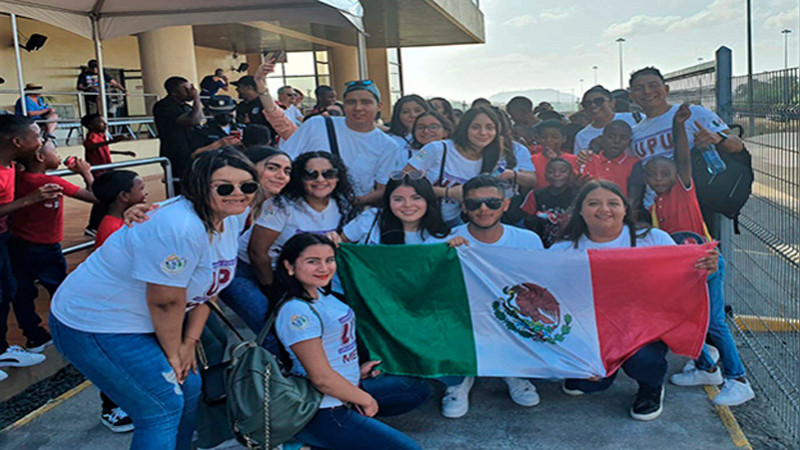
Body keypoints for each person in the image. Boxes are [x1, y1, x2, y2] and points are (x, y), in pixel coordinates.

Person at [50, 148, 260, 449]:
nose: (238, 194)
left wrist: (189, 345)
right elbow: (165, 301)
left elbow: (209, 291)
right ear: (200, 186)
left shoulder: (231, 219)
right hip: (97, 321)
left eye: (247, 186)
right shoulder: (180, 225)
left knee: (189, 389)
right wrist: (174, 353)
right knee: (160, 408)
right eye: (224, 187)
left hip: (140, 319)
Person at [550, 180, 719, 420]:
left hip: (642, 326)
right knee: (589, 384)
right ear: (580, 210)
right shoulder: (564, 248)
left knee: (643, 361)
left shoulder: (652, 238)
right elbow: (548, 292)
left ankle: (651, 387)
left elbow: (681, 276)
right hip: (590, 328)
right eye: (593, 203)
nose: (604, 209)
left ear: (625, 209)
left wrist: (704, 267)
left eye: (613, 203)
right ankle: (596, 372)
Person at [273, 233, 429, 449]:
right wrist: (365, 400)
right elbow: (321, 379)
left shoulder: (321, 294)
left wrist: (356, 369)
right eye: (312, 261)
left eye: (329, 260)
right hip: (323, 408)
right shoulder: (297, 312)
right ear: (289, 266)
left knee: (414, 388)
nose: (324, 268)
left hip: (349, 386)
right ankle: (305, 439)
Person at [646, 104, 754, 406]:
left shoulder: (683, 189)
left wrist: (679, 126)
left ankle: (738, 379)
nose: (658, 177)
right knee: (680, 319)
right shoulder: (655, 206)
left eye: (663, 172)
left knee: (715, 322)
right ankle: (706, 366)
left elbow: (681, 158)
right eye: (652, 174)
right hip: (682, 271)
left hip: (706, 263)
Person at [444, 175, 543, 418]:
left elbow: (540, 285)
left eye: (492, 203)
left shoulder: (528, 240)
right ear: (464, 207)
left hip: (510, 312)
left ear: (506, 204)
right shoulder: (446, 240)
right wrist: (445, 254)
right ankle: (460, 378)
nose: (484, 209)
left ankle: (513, 369)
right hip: (464, 315)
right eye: (475, 204)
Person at [9, 138, 97, 355]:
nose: (59, 154)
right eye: (54, 150)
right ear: (40, 157)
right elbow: (96, 198)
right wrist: (85, 173)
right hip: (46, 249)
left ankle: (34, 336)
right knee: (62, 290)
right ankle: (76, 333)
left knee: (23, 292)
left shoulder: (17, 178)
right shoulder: (53, 182)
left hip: (18, 245)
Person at [627, 66, 744, 218]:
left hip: (695, 205)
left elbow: (737, 145)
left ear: (666, 89)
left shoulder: (693, 113)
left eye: (653, 85)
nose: (647, 91)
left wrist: (718, 138)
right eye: (639, 88)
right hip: (654, 209)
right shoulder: (634, 132)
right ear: (632, 96)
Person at [405, 106, 536, 227]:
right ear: (464, 128)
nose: (483, 133)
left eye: (489, 128)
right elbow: (403, 180)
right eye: (476, 127)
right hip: (425, 221)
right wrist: (447, 193)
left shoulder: (494, 156)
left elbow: (531, 179)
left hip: (463, 223)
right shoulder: (437, 149)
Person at [246, 151, 355, 296]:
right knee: (264, 316)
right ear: (299, 178)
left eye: (329, 173)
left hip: (304, 275)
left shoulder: (342, 205)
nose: (320, 180)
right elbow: (257, 252)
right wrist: (271, 290)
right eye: (311, 174)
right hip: (256, 271)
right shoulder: (281, 206)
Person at [90, 169, 148, 433]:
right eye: (141, 187)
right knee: (116, 363)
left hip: (121, 305)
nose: (145, 191)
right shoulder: (112, 231)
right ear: (125, 196)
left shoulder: (118, 222)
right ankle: (111, 409)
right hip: (113, 309)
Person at [280, 80, 400, 206]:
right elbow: (285, 162)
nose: (358, 108)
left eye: (366, 102)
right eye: (351, 102)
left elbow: (383, 188)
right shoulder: (317, 125)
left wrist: (351, 203)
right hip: (302, 207)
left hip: (348, 215)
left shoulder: (388, 145)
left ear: (379, 106)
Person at [0, 116, 57, 377]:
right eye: (37, 137)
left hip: (6, 237)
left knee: (8, 290)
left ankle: (2, 349)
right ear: (17, 141)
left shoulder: (11, 165)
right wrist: (30, 200)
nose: (41, 142)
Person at [217, 146, 292, 345]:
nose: (281, 176)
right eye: (273, 168)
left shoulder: (273, 203)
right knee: (270, 330)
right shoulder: (232, 203)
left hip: (254, 270)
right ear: (250, 168)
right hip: (229, 273)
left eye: (287, 171)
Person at [331, 171, 451, 245]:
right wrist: (333, 239)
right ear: (388, 201)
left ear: (428, 200)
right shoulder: (371, 218)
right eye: (398, 199)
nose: (407, 205)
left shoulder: (441, 235)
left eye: (416, 198)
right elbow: (341, 243)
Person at [81, 113, 137, 235]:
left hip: (106, 171)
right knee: (100, 200)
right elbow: (91, 146)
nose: (105, 124)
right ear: (91, 125)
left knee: (107, 199)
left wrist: (123, 152)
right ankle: (93, 226)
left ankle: (101, 224)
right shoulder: (91, 137)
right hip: (98, 173)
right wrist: (112, 141)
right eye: (101, 122)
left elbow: (103, 149)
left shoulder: (100, 136)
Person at [153, 76, 204, 190]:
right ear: (174, 92)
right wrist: (196, 98)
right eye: (185, 89)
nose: (190, 91)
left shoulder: (186, 107)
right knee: (181, 188)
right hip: (176, 154)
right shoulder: (164, 106)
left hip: (190, 152)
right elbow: (192, 120)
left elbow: (199, 119)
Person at [521, 158, 578, 248]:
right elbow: (527, 221)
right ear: (545, 175)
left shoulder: (578, 195)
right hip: (542, 244)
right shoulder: (536, 194)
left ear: (571, 175)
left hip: (570, 246)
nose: (557, 175)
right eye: (551, 171)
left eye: (562, 171)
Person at [575, 120, 638, 198]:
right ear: (602, 138)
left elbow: (634, 199)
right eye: (611, 137)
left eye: (623, 138)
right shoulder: (586, 160)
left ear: (629, 142)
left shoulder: (634, 163)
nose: (616, 141)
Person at [573, 86, 639, 155]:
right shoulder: (582, 136)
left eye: (599, 101)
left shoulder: (634, 118)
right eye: (587, 103)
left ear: (612, 103)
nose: (593, 105)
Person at [530, 120, 579, 189]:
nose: (549, 140)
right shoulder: (532, 160)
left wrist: (556, 160)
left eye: (555, 137)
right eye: (544, 137)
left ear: (564, 139)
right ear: (538, 139)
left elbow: (573, 181)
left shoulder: (574, 159)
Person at [232, 75, 278, 144]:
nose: (237, 90)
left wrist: (251, 122)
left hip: (264, 144)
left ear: (248, 88)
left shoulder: (265, 104)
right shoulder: (241, 106)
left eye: (239, 87)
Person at [387, 95, 430, 164]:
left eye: (417, 110)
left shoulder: (437, 138)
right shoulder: (389, 140)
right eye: (405, 112)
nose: (413, 115)